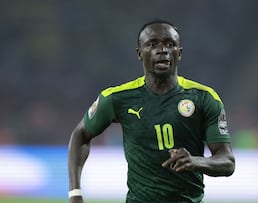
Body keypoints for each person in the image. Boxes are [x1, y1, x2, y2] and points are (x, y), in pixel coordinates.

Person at [68, 19, 235, 203]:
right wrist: (75, 192)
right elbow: (80, 135)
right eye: (152, 44)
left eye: (170, 44)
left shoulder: (204, 98)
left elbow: (227, 162)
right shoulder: (118, 98)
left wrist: (194, 162)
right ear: (140, 53)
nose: (162, 50)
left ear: (179, 54)